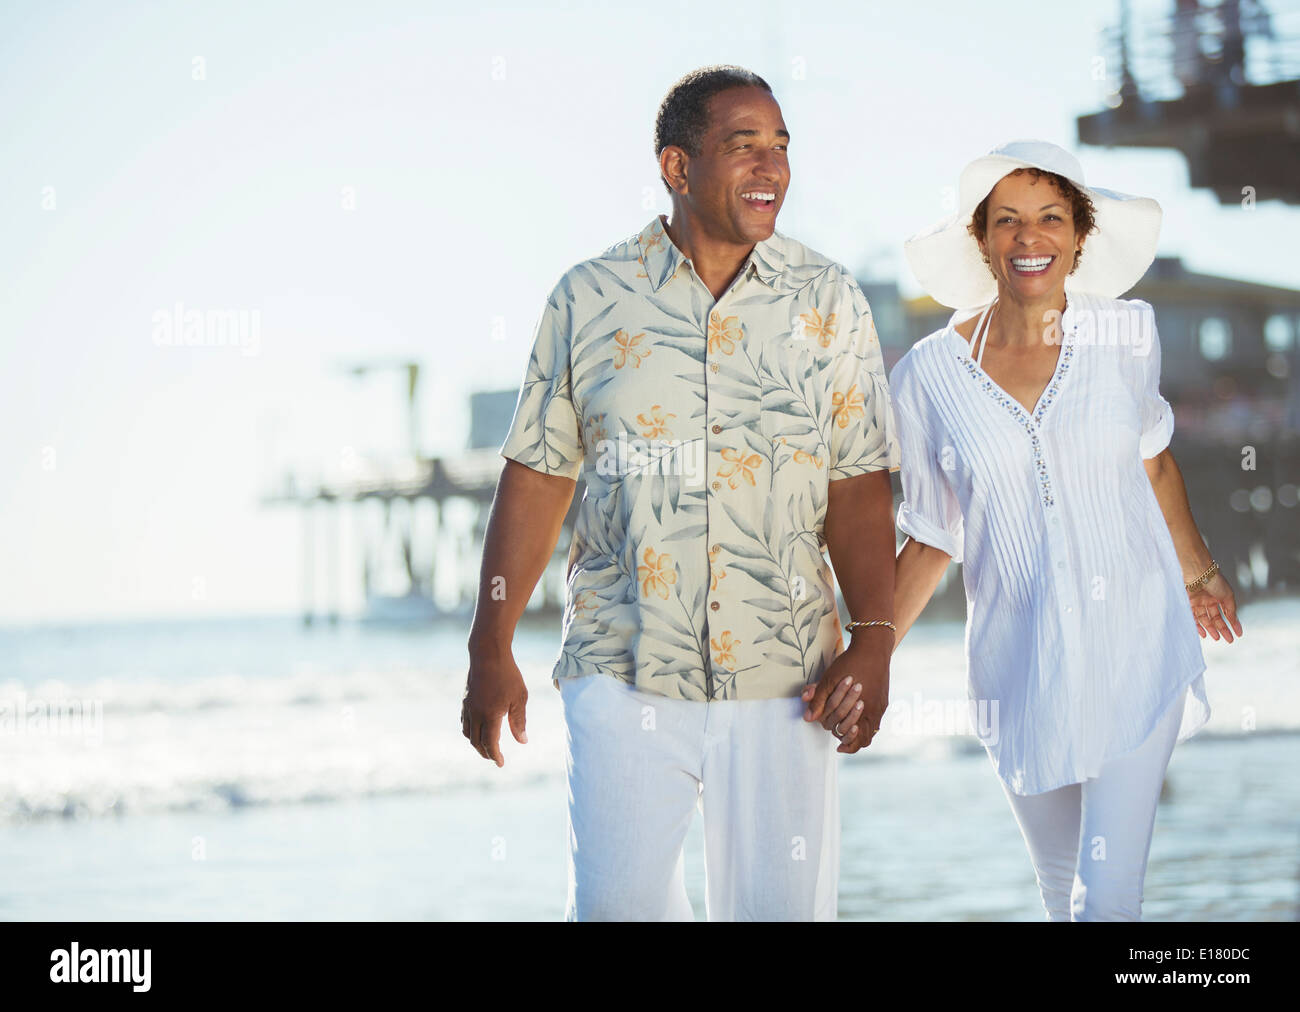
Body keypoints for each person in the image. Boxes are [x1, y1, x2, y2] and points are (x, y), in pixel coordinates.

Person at [462, 65, 900, 921]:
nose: (771, 166)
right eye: (744, 147)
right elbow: (537, 478)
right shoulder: (589, 298)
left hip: (788, 681)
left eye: (780, 146)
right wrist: (491, 645)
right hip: (624, 672)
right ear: (677, 166)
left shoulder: (830, 301)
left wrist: (874, 638)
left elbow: (857, 482)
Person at [882, 139, 1241, 921]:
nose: (1029, 236)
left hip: (1136, 646)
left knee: (1104, 902)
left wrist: (1199, 572)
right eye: (1006, 219)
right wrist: (868, 652)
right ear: (981, 239)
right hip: (1019, 669)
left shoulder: (1126, 335)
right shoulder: (926, 378)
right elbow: (933, 536)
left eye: (1050, 216)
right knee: (1060, 897)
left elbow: (1152, 463)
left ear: (1081, 234)